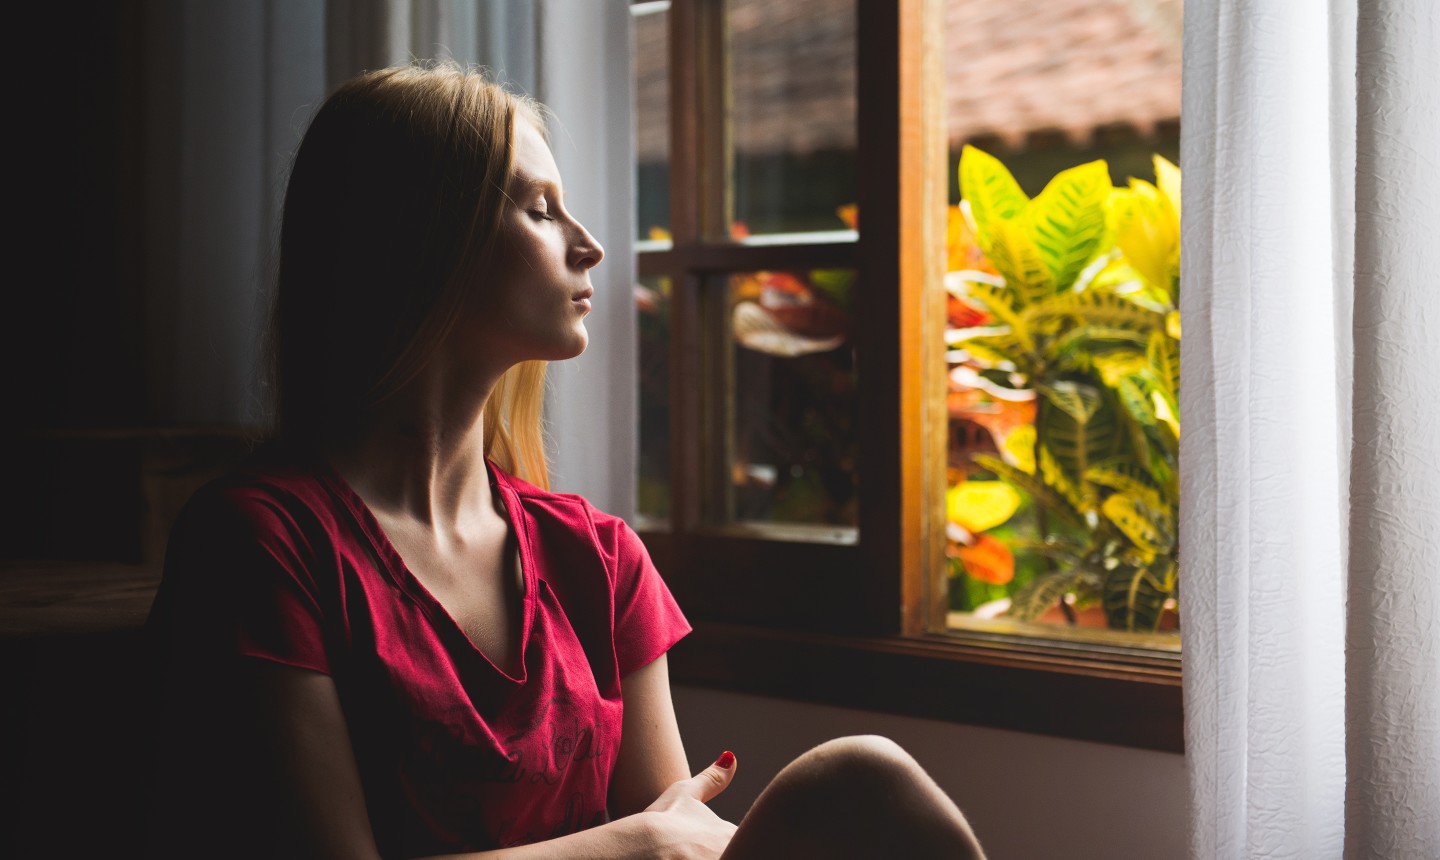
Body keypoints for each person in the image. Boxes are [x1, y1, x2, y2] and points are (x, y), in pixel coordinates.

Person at [145, 63, 986, 860]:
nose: (589, 246)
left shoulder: (595, 555)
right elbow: (655, 838)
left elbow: (681, 838)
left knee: (865, 779)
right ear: (423, 238)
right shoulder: (261, 544)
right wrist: (631, 843)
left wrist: (657, 841)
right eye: (542, 210)